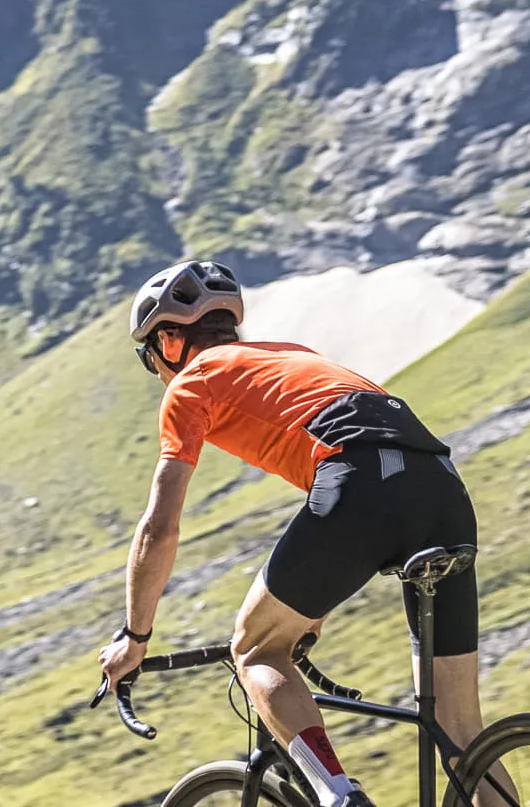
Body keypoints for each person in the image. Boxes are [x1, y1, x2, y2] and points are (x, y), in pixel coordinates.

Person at [93, 260, 482, 807]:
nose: (154, 367)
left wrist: (135, 638)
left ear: (170, 339)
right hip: (444, 488)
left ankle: (339, 797)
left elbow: (160, 528)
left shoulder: (191, 385)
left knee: (254, 650)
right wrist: (307, 613)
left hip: (361, 482)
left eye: (149, 354)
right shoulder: (293, 356)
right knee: (462, 730)